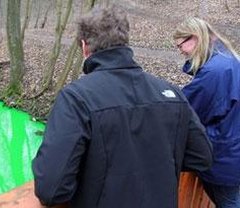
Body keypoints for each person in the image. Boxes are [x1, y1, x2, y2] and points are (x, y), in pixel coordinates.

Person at [32, 6, 213, 208]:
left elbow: (51, 190)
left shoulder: (77, 98)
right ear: (124, 42)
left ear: (84, 47)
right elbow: (202, 156)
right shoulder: (172, 94)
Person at [173, 17, 240, 207]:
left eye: (181, 46)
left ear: (195, 38)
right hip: (233, 150)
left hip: (224, 156)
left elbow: (187, 112)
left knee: (229, 202)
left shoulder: (214, 72)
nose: (181, 52)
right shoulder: (227, 58)